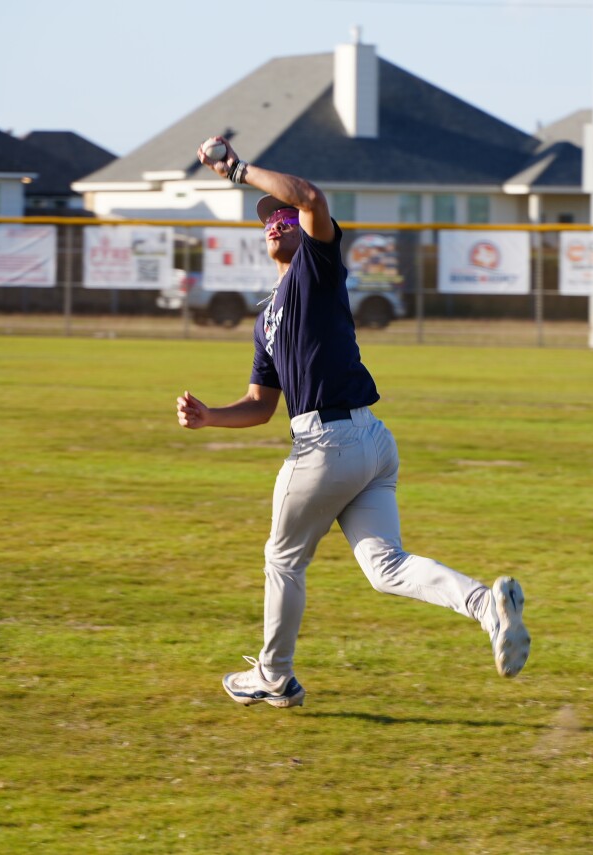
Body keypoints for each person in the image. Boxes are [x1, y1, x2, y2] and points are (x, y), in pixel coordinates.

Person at [176, 136, 530, 709]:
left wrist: (239, 171)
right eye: (269, 221)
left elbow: (311, 196)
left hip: (331, 444)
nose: (276, 222)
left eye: (284, 216)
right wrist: (211, 417)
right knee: (386, 567)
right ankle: (485, 607)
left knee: (283, 558)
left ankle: (273, 676)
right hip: (367, 443)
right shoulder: (266, 316)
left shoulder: (314, 269)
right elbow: (262, 405)